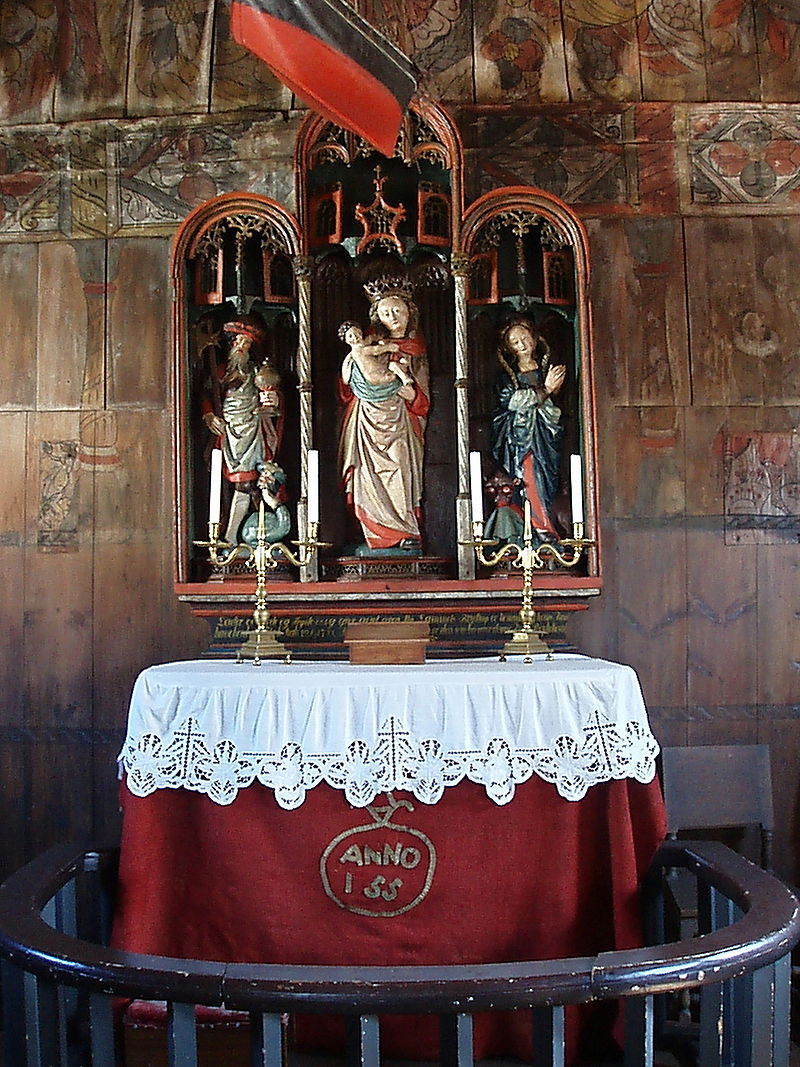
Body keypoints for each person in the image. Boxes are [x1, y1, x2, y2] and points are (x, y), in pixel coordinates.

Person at [337, 281, 430, 555]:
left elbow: (422, 398)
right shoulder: (368, 345)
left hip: (400, 421)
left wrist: (411, 393)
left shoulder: (416, 349)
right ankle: (373, 533)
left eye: (397, 310)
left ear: (409, 313)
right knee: (367, 476)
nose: (392, 317)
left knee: (401, 469)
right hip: (366, 420)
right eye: (386, 312)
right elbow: (346, 389)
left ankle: (406, 531)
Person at [201, 314, 285, 546]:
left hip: (252, 428)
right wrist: (208, 414)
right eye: (238, 341)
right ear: (231, 342)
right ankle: (230, 534)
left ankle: (234, 535)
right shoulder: (220, 370)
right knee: (236, 483)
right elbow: (207, 394)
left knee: (249, 483)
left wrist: (273, 400)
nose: (242, 346)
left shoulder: (257, 371)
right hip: (229, 431)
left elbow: (270, 395)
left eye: (246, 343)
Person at [489, 315, 565, 542]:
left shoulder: (546, 372)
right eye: (515, 341)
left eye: (524, 337)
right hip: (522, 438)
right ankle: (536, 527)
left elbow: (553, 408)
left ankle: (547, 524)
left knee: (546, 478)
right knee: (529, 476)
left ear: (534, 338)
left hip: (546, 435)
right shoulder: (507, 378)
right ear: (508, 348)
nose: (521, 344)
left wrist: (548, 391)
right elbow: (512, 401)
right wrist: (546, 390)